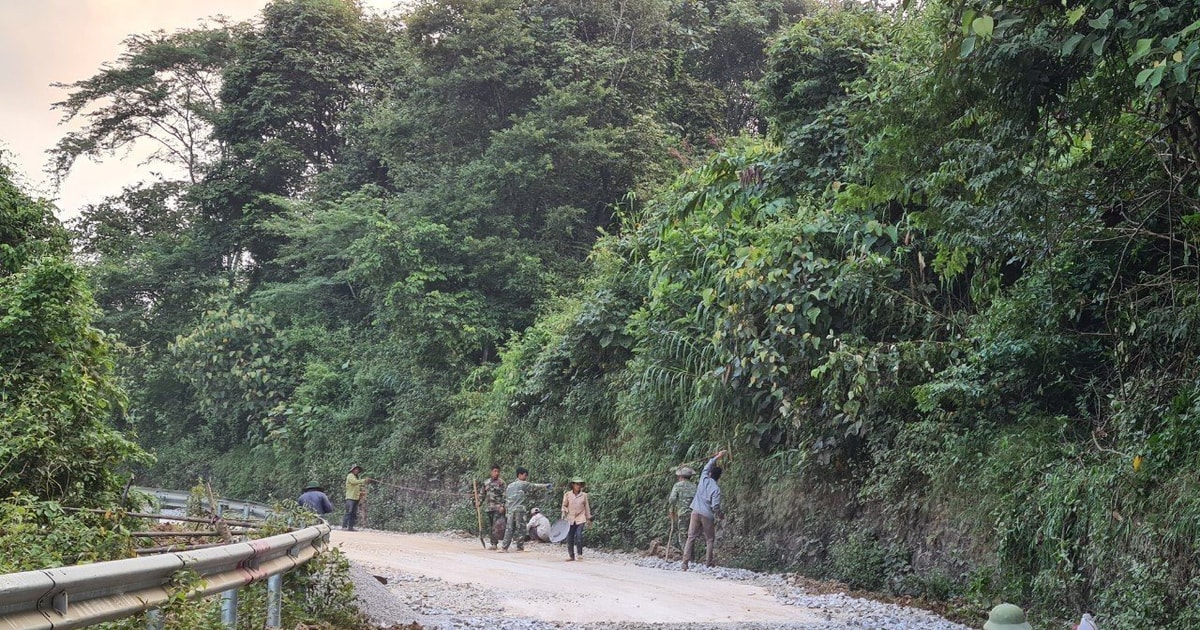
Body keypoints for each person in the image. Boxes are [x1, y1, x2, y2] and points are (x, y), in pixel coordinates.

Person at [681, 449, 726, 571]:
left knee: (691, 537)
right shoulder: (716, 489)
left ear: (710, 474)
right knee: (710, 539)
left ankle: (685, 563)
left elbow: (707, 465)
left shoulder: (703, 478)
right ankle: (708, 563)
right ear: (718, 477)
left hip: (695, 511)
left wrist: (718, 456)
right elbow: (715, 506)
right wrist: (720, 515)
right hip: (707, 515)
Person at [501, 467, 552, 552]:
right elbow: (534, 486)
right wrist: (546, 486)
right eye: (525, 475)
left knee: (509, 528)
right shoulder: (522, 484)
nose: (526, 478)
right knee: (521, 529)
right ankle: (519, 547)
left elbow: (506, 498)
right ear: (520, 475)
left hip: (510, 510)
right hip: (519, 510)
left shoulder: (509, 486)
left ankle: (504, 547)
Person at [666, 466, 696, 555]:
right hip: (694, 514)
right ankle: (691, 556)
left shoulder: (677, 485)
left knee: (683, 534)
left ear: (681, 476)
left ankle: (686, 556)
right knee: (691, 535)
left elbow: (672, 499)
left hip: (682, 513)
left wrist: (671, 510)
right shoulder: (694, 486)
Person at [561, 478, 593, 561]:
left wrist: (589, 518)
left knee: (579, 535)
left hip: (580, 517)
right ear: (573, 485)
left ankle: (580, 554)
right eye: (576, 484)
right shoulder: (567, 494)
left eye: (579, 484)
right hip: (570, 518)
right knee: (570, 537)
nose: (578, 486)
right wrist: (564, 513)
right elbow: (564, 505)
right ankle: (571, 555)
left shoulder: (584, 495)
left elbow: (587, 507)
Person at [481, 464, 507, 550]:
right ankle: (493, 542)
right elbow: (482, 495)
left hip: (497, 508)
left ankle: (494, 544)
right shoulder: (486, 482)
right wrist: (478, 503)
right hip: (489, 508)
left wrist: (503, 506)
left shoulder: (501, 483)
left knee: (496, 526)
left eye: (498, 471)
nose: (496, 473)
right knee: (491, 525)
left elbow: (505, 496)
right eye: (495, 471)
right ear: (491, 472)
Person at [343, 464, 369, 531]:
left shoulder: (356, 477)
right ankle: (344, 526)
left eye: (358, 469)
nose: (357, 470)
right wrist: (364, 480)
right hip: (350, 497)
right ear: (352, 470)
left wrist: (361, 492)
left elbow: (358, 486)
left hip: (356, 498)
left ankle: (350, 527)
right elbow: (354, 482)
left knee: (353, 513)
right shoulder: (350, 476)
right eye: (355, 469)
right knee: (349, 512)